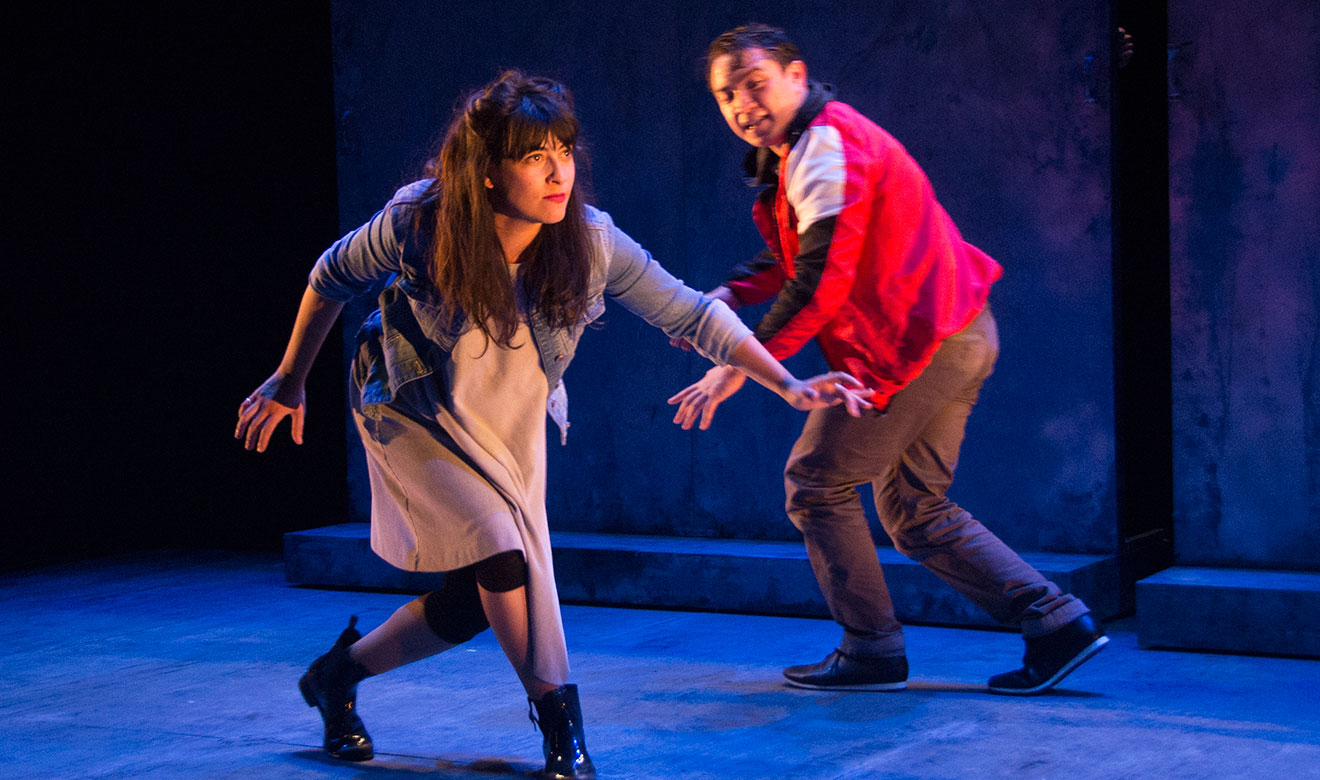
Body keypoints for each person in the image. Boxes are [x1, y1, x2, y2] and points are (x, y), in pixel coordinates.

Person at [234, 70, 870, 779]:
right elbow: (330, 276)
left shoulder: (589, 241)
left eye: (563, 151)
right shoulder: (421, 220)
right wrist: (289, 380)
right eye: (534, 156)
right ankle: (561, 728)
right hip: (410, 411)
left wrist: (786, 383)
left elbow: (693, 312)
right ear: (486, 171)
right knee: (502, 554)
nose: (558, 171)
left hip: (507, 422)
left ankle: (337, 676)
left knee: (472, 603)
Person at [668, 24, 1108, 695]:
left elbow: (819, 283)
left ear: (795, 76)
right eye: (727, 95)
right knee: (913, 507)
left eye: (755, 85)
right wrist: (732, 292)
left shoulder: (826, 147)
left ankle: (871, 649)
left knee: (815, 481)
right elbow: (806, 248)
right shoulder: (811, 146)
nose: (742, 105)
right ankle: (1057, 623)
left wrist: (735, 367)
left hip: (918, 346)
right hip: (960, 332)